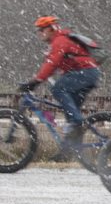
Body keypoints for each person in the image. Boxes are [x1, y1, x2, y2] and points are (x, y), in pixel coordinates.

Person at [18, 16, 101, 146]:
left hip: (86, 73)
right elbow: (51, 67)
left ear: (51, 29)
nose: (39, 33)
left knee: (58, 89)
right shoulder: (60, 40)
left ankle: (77, 123)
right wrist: (36, 81)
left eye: (41, 30)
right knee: (70, 113)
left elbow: (51, 64)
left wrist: (35, 82)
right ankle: (69, 150)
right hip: (87, 73)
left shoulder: (60, 41)